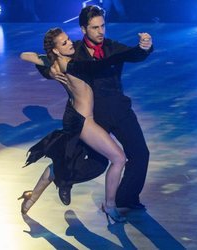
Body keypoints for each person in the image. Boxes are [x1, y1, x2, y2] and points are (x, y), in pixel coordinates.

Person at [19, 28, 143, 222]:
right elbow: (98, 66)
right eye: (64, 43)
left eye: (68, 39)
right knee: (118, 158)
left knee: (68, 163)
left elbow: (25, 55)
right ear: (57, 50)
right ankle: (110, 206)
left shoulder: (56, 62)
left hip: (76, 115)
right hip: (84, 120)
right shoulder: (71, 64)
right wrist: (132, 51)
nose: (70, 43)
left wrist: (50, 67)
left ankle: (31, 198)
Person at [36, 5, 153, 210]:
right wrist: (50, 72)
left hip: (119, 110)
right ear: (83, 29)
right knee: (96, 165)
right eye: (94, 27)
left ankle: (125, 199)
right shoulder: (73, 51)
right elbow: (44, 60)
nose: (100, 31)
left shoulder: (111, 47)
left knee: (141, 154)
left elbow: (132, 55)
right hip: (96, 117)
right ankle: (63, 178)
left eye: (102, 26)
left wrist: (145, 47)